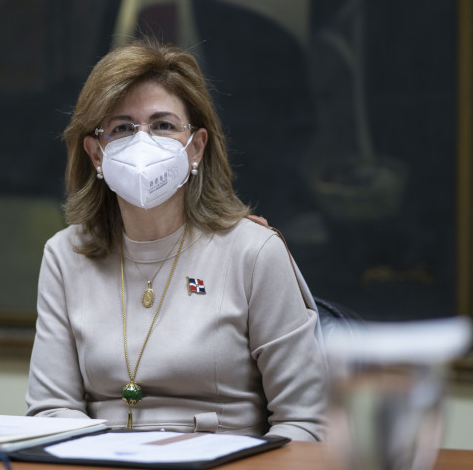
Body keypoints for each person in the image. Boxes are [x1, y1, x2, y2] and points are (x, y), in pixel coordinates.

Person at [25, 39, 327, 441]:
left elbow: (306, 422)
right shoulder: (65, 255)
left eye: (163, 126)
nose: (143, 142)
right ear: (96, 154)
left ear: (195, 147)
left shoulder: (254, 252)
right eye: (123, 128)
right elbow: (51, 408)